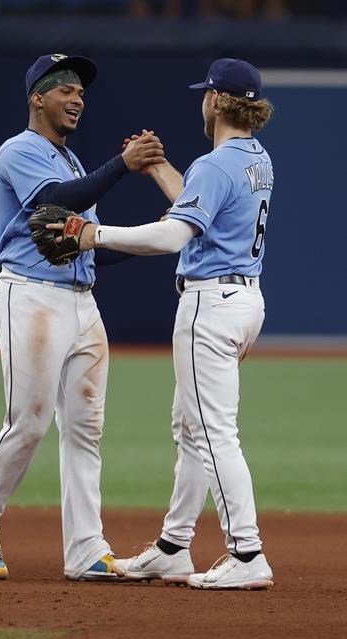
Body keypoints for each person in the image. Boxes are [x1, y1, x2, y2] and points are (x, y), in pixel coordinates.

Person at [53, 57, 275, 589]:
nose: (202, 100)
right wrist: (158, 169)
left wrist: (93, 235)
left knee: (214, 431)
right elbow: (201, 210)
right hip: (243, 300)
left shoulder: (216, 165)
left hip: (210, 304)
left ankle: (247, 553)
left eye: (206, 93)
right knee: (192, 429)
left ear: (218, 101)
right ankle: (174, 547)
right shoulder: (255, 159)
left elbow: (175, 236)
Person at [0, 52, 165, 581]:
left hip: (81, 303)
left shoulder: (73, 162)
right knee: (27, 423)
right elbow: (53, 204)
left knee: (85, 429)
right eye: (66, 89)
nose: (78, 99)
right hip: (30, 298)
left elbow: (89, 245)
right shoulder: (19, 151)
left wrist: (158, 236)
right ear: (38, 97)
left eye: (81, 92)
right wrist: (122, 165)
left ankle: (85, 550)